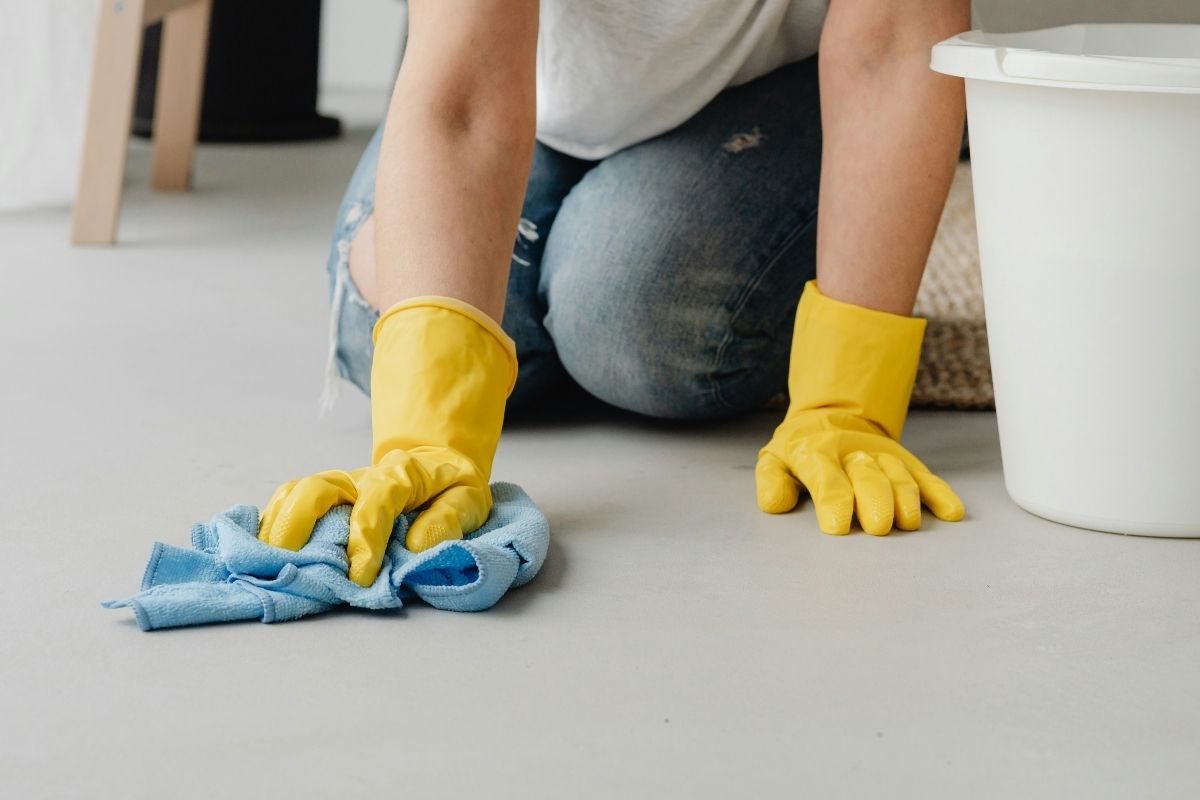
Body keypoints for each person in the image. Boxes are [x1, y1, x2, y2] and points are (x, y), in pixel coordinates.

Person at [257, 0, 969, 587]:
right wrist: (427, 432)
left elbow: (896, 39)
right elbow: (468, 80)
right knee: (374, 317)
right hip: (525, 76)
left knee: (636, 320)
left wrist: (848, 397)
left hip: (760, 90)